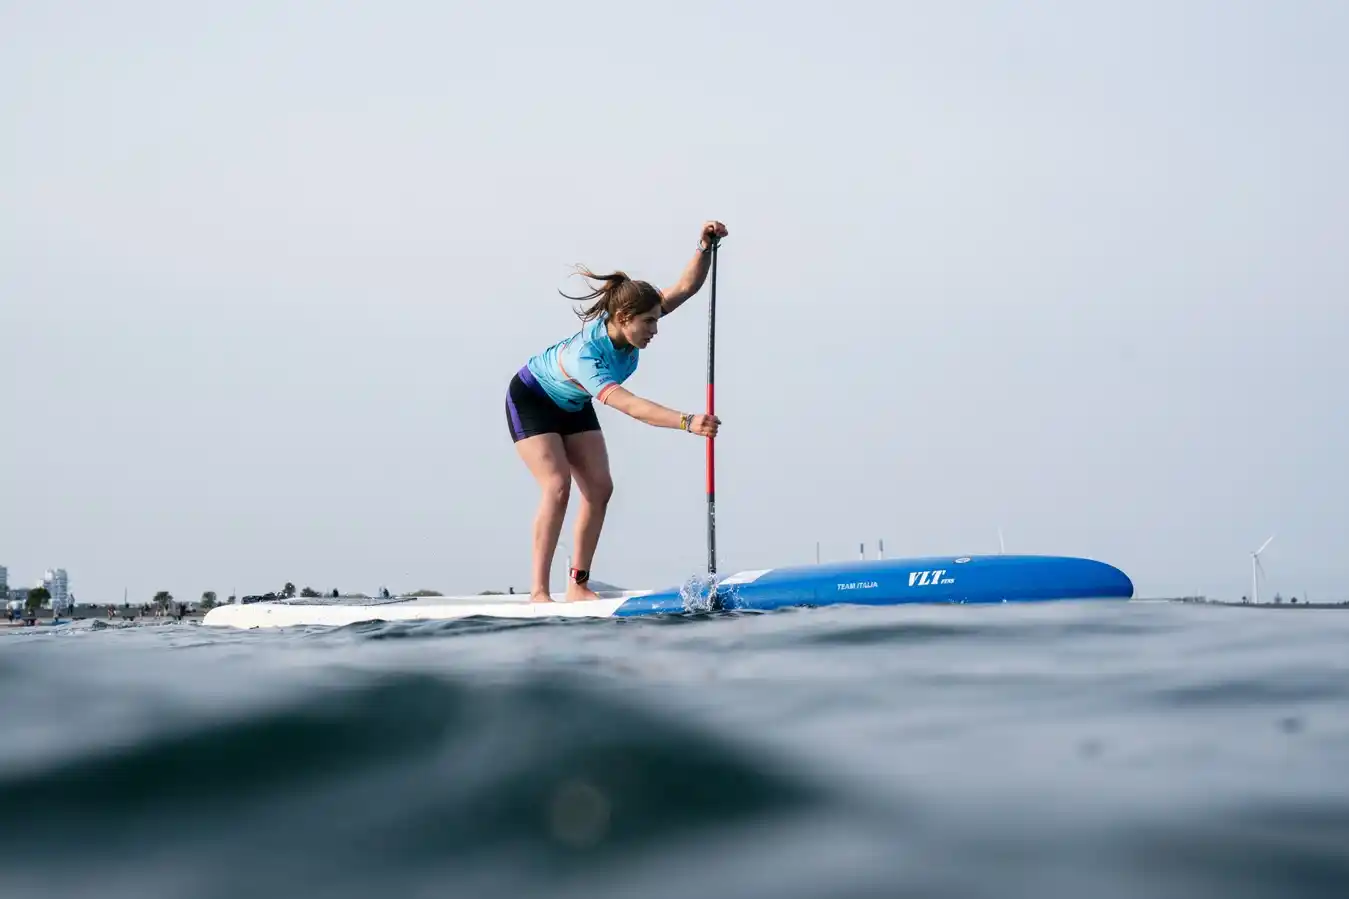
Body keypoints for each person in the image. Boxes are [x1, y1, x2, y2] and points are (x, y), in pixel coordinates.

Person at [506, 220, 728, 603]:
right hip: (533, 400)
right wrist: (687, 421)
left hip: (573, 403)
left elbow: (685, 287)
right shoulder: (586, 357)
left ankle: (577, 585)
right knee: (557, 486)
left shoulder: (633, 317)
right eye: (649, 322)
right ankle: (538, 593)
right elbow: (630, 406)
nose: (655, 330)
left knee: (600, 489)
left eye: (656, 319)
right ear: (624, 318)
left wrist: (704, 247)